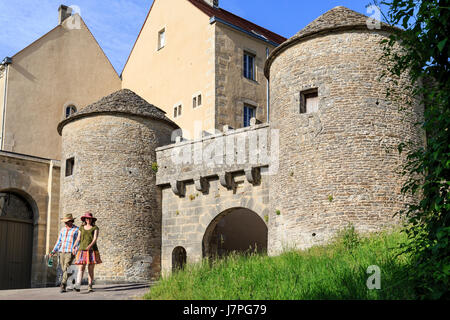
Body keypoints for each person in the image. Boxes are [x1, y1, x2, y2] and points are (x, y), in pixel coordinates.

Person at [50, 214, 79, 293]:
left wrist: (76, 250)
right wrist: (53, 251)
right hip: (61, 251)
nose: (65, 223)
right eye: (64, 222)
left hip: (70, 251)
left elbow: (78, 242)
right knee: (64, 269)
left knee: (66, 267)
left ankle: (63, 285)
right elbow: (59, 241)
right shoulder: (62, 230)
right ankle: (72, 279)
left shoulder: (77, 229)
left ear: (71, 221)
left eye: (66, 221)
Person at [73, 212, 102, 292]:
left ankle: (90, 285)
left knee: (90, 268)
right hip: (82, 249)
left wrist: (90, 246)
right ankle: (78, 285)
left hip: (92, 250)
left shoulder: (95, 227)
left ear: (92, 219)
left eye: (89, 218)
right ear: (85, 219)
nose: (88, 220)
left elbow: (95, 238)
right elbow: (78, 238)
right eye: (86, 218)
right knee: (81, 268)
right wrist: (74, 246)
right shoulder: (81, 228)